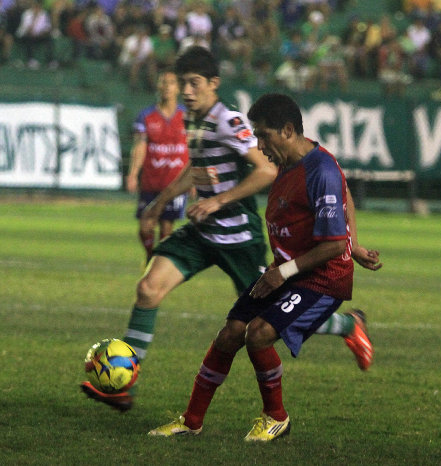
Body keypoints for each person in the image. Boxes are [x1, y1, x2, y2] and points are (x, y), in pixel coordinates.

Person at [148, 93, 381, 441]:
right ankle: (191, 420)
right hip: (288, 268)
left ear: (287, 130)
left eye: (264, 136)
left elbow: (332, 244)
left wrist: (333, 252)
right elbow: (343, 194)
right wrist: (356, 243)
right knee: (230, 333)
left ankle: (276, 416)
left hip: (321, 278)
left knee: (258, 334)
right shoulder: (292, 160)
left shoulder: (320, 168)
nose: (259, 145)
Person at [80, 46, 278, 410]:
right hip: (202, 233)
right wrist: (158, 204)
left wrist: (218, 200)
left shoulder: (228, 121)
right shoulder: (192, 118)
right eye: (183, 83)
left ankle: (346, 326)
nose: (187, 91)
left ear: (213, 84)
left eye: (194, 83)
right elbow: (195, 169)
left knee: (271, 319)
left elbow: (267, 170)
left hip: (237, 238)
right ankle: (123, 383)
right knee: (148, 288)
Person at [126, 69, 189, 264]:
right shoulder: (146, 116)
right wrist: (133, 173)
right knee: (145, 225)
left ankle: (159, 263)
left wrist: (193, 179)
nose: (166, 87)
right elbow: (140, 146)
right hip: (151, 181)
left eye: (170, 82)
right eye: (163, 82)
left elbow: (193, 149)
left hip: (176, 182)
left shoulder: (187, 116)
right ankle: (149, 256)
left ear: (178, 88)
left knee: (166, 226)